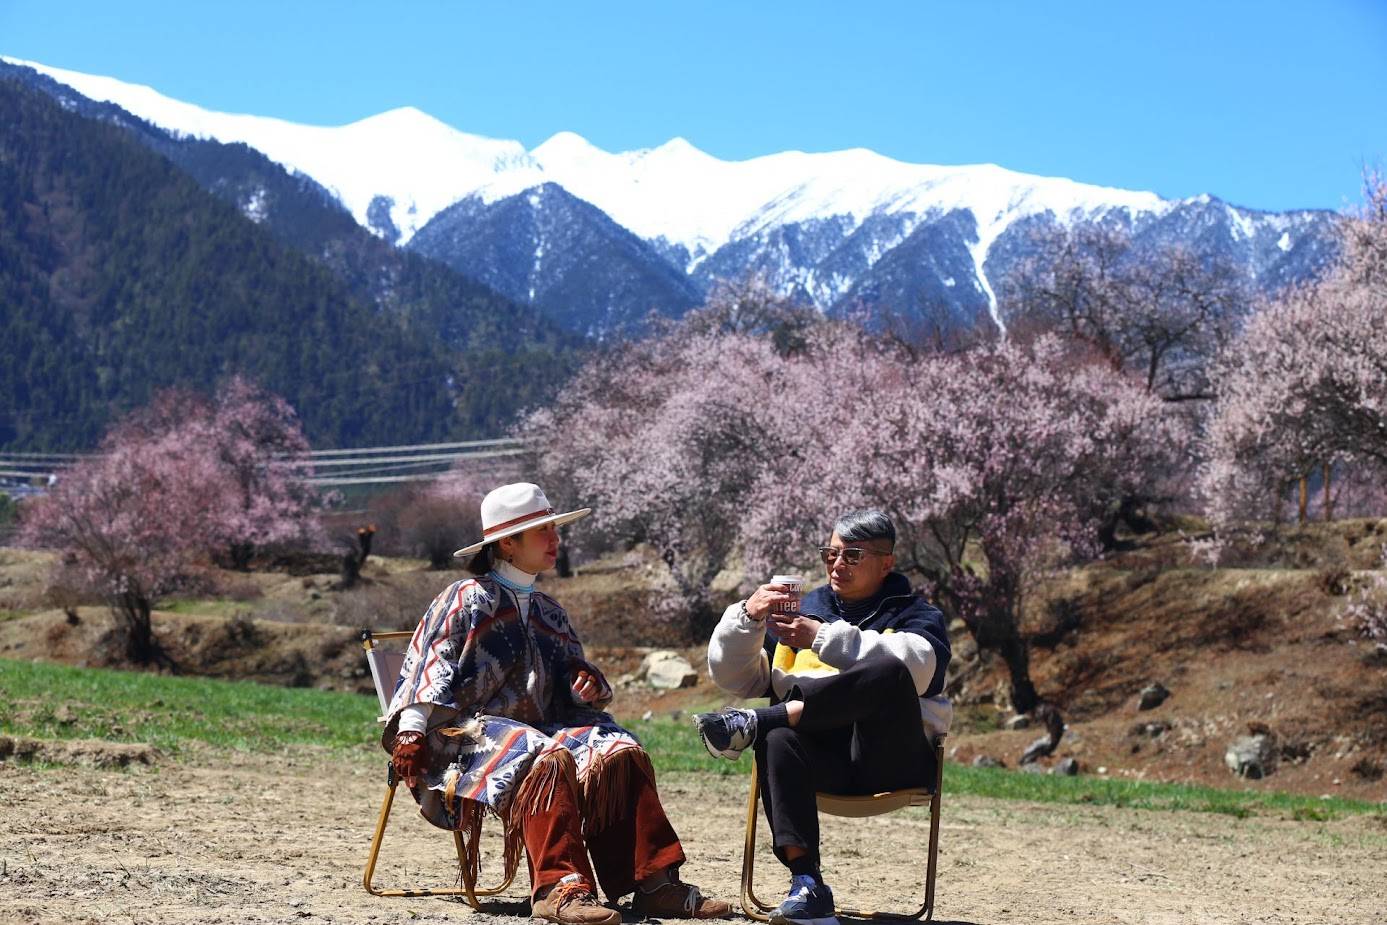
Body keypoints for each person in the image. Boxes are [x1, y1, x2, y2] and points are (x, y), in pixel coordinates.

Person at [383, 482, 731, 925]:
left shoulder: (550, 610)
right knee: (544, 756)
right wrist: (411, 730)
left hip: (541, 727)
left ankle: (655, 884)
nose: (556, 539)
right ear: (508, 543)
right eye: (543, 531)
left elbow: (571, 679)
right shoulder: (463, 598)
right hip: (460, 734)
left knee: (619, 750)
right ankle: (559, 888)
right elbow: (428, 667)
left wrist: (586, 686)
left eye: (554, 529)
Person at [696, 510, 951, 925]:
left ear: (886, 563)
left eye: (852, 555)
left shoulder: (916, 614)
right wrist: (747, 618)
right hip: (821, 762)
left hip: (889, 762)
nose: (837, 564)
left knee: (890, 671)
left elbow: (921, 670)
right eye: (830, 554)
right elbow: (736, 679)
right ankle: (807, 885)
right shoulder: (804, 609)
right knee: (778, 739)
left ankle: (764, 719)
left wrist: (821, 637)